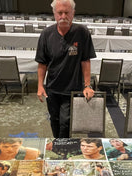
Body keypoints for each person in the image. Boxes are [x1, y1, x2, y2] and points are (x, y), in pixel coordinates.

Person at [35, 0, 96, 138]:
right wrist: (40, 85)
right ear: (54, 14)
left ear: (73, 13)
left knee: (66, 122)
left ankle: (64, 146)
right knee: (54, 120)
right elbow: (42, 63)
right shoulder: (46, 34)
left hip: (72, 88)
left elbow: (85, 60)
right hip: (52, 88)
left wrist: (87, 85)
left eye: (67, 13)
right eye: (60, 13)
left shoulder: (82, 32)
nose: (63, 16)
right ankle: (58, 143)